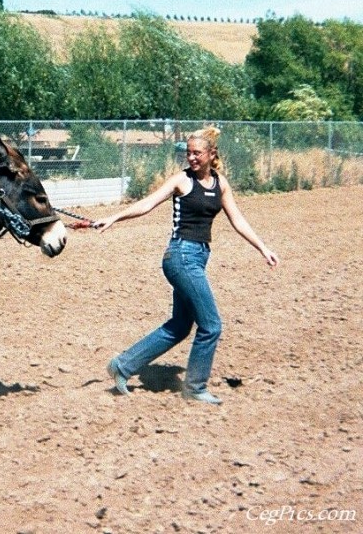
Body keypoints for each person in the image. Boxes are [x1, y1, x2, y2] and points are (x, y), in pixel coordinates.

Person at [94, 126, 279, 404]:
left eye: (197, 153)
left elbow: (237, 220)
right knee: (211, 325)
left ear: (211, 154)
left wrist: (262, 247)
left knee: (181, 325)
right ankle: (194, 388)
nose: (191, 158)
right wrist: (114, 217)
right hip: (181, 256)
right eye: (188, 152)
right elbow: (148, 204)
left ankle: (122, 366)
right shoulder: (182, 180)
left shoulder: (220, 183)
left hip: (199, 257)